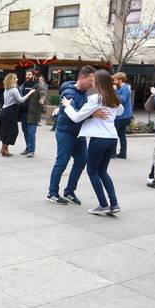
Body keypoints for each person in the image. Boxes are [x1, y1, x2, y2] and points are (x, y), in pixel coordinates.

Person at [63, 70, 124, 215]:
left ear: (98, 82)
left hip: (99, 139)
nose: (93, 81)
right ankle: (114, 204)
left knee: (92, 172)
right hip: (112, 139)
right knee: (103, 172)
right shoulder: (113, 98)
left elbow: (77, 117)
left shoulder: (95, 99)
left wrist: (67, 106)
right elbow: (120, 112)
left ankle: (103, 204)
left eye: (94, 79)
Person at [47, 66, 96, 204]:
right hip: (66, 132)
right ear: (82, 78)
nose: (92, 84)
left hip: (78, 133)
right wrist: (92, 113)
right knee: (61, 163)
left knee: (81, 161)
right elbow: (75, 114)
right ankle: (52, 193)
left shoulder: (83, 93)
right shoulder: (69, 93)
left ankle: (69, 191)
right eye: (91, 80)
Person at [0, 72, 30, 157]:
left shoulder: (6, 89)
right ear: (12, 80)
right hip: (10, 111)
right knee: (14, 131)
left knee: (5, 131)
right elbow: (21, 100)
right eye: (16, 78)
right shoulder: (14, 89)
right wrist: (29, 93)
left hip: (4, 110)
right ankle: (4, 148)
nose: (17, 79)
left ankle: (4, 148)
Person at [19, 71, 43, 158]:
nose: (27, 76)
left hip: (33, 113)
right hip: (23, 112)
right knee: (25, 131)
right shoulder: (23, 85)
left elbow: (43, 94)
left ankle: (31, 150)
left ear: (33, 76)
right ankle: (28, 147)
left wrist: (42, 100)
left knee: (31, 133)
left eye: (29, 75)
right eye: (26, 74)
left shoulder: (38, 86)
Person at [112, 72, 132, 158]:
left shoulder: (125, 88)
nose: (114, 81)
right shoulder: (125, 87)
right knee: (121, 134)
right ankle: (123, 153)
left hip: (122, 116)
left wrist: (115, 90)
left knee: (113, 134)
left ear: (120, 80)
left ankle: (112, 154)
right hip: (125, 116)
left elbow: (121, 100)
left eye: (115, 79)